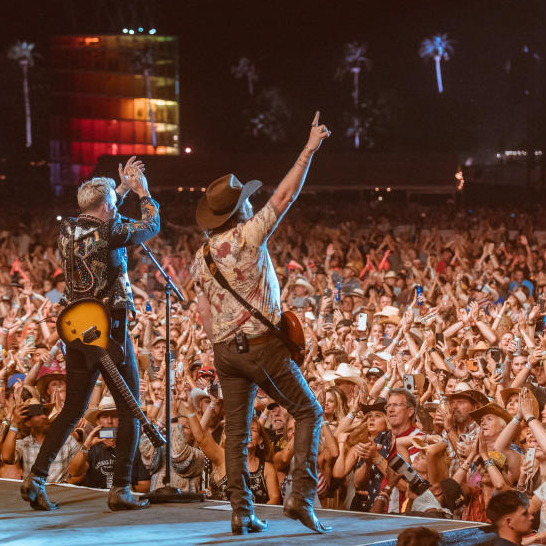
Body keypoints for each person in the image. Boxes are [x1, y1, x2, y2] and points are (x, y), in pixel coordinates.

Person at [191, 112, 331, 535]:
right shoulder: (249, 236)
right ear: (240, 209)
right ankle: (301, 497)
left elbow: (202, 311)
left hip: (224, 351)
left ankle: (241, 512)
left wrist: (223, 344)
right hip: (259, 345)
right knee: (309, 411)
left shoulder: (202, 255)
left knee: (236, 432)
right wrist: (308, 149)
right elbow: (285, 195)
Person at [21, 156, 159, 512]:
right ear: (106, 206)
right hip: (108, 329)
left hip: (75, 330)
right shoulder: (110, 232)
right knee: (130, 408)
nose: (116, 205)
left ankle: (36, 478)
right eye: (114, 202)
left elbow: (98, 213)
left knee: (72, 408)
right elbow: (150, 226)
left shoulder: (67, 229)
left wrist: (121, 188)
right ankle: (122, 489)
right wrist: (142, 192)